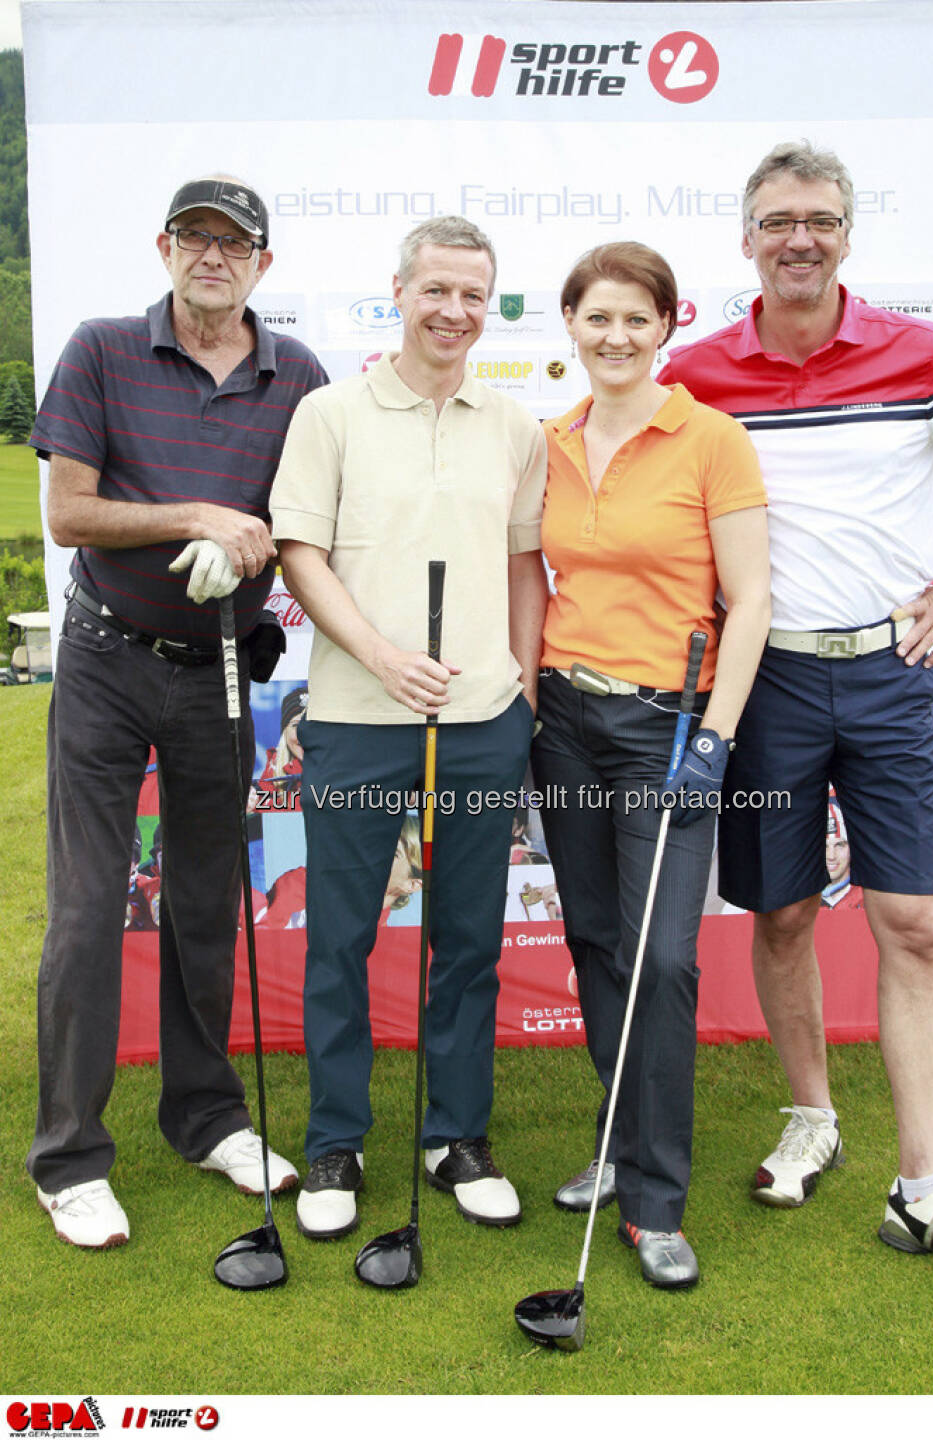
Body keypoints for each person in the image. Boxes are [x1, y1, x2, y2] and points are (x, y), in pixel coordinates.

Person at [660, 141, 933, 1284]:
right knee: (781, 915)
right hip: (767, 679)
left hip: (889, 679)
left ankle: (924, 1188)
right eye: (778, 219)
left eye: (820, 220)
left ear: (846, 233)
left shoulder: (915, 351)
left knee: (915, 924)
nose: (800, 238)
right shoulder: (697, 370)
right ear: (746, 238)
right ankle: (810, 1114)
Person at [27, 175, 328, 1249]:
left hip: (218, 668)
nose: (214, 255)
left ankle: (205, 1118)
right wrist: (197, 514)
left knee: (207, 902)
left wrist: (253, 537)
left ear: (263, 265)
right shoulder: (103, 348)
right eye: (195, 238)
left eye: (234, 242)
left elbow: (308, 518)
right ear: (164, 248)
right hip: (109, 657)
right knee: (86, 908)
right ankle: (69, 1154)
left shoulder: (296, 374)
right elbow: (67, 514)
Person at [270, 216, 547, 1241]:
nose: (455, 311)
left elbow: (525, 562)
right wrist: (382, 656)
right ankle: (335, 1142)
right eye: (437, 290)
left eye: (474, 295)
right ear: (399, 291)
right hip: (354, 712)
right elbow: (301, 554)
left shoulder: (514, 425)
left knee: (467, 939)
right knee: (341, 939)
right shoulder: (329, 413)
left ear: (491, 306)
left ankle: (455, 1135)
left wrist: (519, 678)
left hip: (481, 718)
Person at [532, 242, 770, 1288]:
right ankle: (618, 1143)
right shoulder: (550, 441)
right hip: (564, 719)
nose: (616, 336)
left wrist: (714, 737)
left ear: (667, 326)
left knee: (662, 958)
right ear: (570, 326)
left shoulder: (711, 439)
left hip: (668, 727)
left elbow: (751, 600)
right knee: (592, 937)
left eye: (637, 318)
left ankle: (656, 1202)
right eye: (598, 318)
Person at [256, 684, 308, 810]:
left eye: (312, 724)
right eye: (295, 726)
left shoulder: (344, 771)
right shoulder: (270, 777)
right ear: (285, 732)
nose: (304, 734)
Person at [820, 800, 864, 911]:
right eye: (824, 846)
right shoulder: (797, 900)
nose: (831, 856)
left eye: (839, 845)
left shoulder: (869, 900)